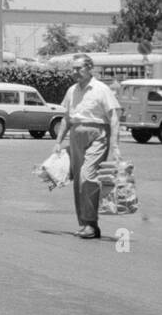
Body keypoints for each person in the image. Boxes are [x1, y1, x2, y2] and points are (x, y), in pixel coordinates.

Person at [52, 54, 121, 239]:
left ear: (89, 68)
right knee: (78, 183)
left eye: (79, 68)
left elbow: (114, 117)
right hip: (76, 135)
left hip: (98, 135)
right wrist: (58, 141)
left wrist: (114, 144)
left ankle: (92, 223)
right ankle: (84, 224)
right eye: (73, 69)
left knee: (87, 177)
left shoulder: (101, 89)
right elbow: (67, 117)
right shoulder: (72, 90)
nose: (75, 72)